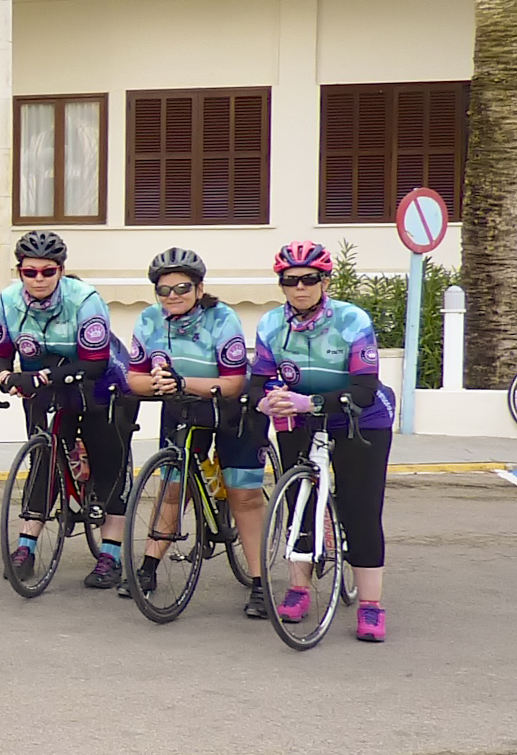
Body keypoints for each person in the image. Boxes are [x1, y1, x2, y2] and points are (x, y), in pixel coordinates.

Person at [251, 241, 395, 642]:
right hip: (299, 418)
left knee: (360, 509)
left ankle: (370, 605)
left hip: (360, 419)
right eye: (290, 280)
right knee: (300, 500)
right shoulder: (270, 325)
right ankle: (298, 588)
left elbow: (364, 388)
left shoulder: (352, 321)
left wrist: (311, 400)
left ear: (325, 280)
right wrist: (265, 398)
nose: (300, 287)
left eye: (309, 279)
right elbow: (258, 378)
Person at [0, 230, 132, 590]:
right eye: (29, 272)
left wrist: (42, 376)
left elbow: (94, 362)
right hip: (45, 385)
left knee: (109, 461)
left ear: (61, 270)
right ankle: (26, 547)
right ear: (19, 271)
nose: (38, 279)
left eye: (47, 272)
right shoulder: (7, 301)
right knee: (43, 461)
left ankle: (110, 554)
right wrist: (5, 377)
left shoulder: (85, 300)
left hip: (101, 384)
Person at [121, 247, 264, 605]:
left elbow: (233, 383)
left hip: (232, 409)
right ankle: (148, 569)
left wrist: (182, 383)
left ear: (200, 289)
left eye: (182, 288)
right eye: (164, 290)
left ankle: (260, 584)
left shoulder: (222, 318)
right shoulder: (150, 320)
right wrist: (160, 383)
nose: (173, 297)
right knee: (172, 487)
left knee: (243, 495)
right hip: (183, 406)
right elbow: (133, 379)